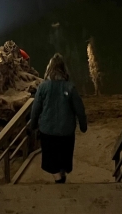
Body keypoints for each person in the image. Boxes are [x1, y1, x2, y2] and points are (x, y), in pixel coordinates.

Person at [30, 53, 87, 183]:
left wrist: (33, 125)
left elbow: (36, 109)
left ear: (49, 68)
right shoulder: (70, 87)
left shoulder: (43, 87)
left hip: (47, 131)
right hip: (66, 131)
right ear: (64, 69)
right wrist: (83, 126)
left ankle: (59, 181)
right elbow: (80, 109)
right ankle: (61, 178)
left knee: (51, 161)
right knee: (63, 159)